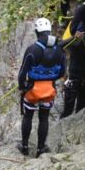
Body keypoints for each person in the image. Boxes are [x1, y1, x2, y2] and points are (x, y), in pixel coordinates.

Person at [17, 17, 66, 157]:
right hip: (49, 89)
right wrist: (50, 79)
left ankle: (25, 146)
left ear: (37, 32)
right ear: (49, 31)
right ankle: (40, 148)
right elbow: (62, 72)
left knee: (28, 116)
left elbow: (22, 72)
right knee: (44, 118)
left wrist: (22, 86)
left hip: (32, 89)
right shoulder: (59, 49)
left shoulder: (32, 49)